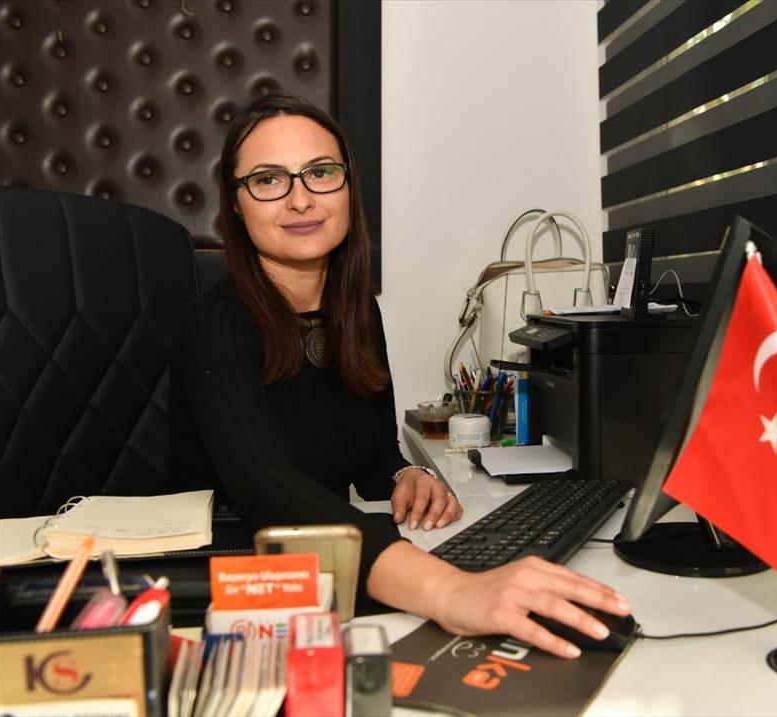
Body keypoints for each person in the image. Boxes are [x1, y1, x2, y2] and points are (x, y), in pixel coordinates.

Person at [169, 90, 630, 658]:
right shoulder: (215, 323)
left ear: (348, 186)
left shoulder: (356, 310)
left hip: (333, 561)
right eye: (268, 180)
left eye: (320, 172)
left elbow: (371, 460)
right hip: (232, 587)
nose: (300, 198)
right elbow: (267, 487)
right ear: (237, 205)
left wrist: (403, 475)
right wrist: (451, 590)